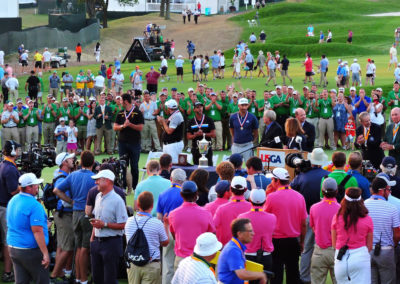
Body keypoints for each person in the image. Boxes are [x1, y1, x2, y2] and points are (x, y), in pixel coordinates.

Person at [53, 151, 96, 284]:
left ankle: (78, 277)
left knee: (78, 247)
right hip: (86, 214)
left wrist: (72, 202)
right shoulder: (94, 177)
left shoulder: (73, 176)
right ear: (93, 163)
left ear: (81, 162)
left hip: (75, 214)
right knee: (84, 248)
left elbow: (57, 190)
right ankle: (83, 280)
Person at [290, 148, 329, 283]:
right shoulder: (328, 175)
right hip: (324, 217)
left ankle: (305, 277)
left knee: (307, 248)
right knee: (326, 247)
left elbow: (291, 191)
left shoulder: (301, 176)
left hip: (306, 216)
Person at [264, 168, 307, 284]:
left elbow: (264, 218)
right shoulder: (299, 197)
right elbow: (303, 224)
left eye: (272, 179)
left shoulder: (271, 197)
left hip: (276, 241)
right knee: (293, 275)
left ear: (277, 181)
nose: (271, 182)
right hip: (293, 241)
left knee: (276, 275)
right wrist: (302, 242)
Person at [7, 173, 49, 284]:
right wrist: (45, 253)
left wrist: (44, 226)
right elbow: (37, 231)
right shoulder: (35, 205)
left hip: (13, 248)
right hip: (30, 251)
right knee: (42, 281)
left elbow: (17, 222)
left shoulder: (13, 200)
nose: (38, 186)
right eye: (35, 184)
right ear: (29, 187)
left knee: (21, 281)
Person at [88, 170, 127, 284]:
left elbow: (124, 224)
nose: (96, 183)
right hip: (97, 242)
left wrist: (104, 225)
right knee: (97, 278)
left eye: (98, 180)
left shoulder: (117, 200)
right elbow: (96, 217)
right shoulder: (98, 197)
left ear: (108, 181)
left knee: (109, 279)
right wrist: (92, 237)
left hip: (111, 243)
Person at [168, 181, 215, 270]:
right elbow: (211, 234)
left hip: (181, 260)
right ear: (196, 194)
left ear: (181, 195)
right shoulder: (206, 213)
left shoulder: (173, 214)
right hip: (200, 259)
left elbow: (174, 235)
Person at [126, 191, 169, 284]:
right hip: (151, 265)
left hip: (133, 264)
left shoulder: (129, 222)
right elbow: (165, 242)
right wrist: (166, 225)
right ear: (152, 206)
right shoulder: (157, 223)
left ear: (138, 204)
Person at [332, 187, 373, 283]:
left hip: (341, 259)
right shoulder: (367, 219)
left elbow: (334, 244)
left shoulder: (337, 217)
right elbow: (369, 246)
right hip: (361, 258)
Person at [365, 173, 400, 284]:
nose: (390, 192)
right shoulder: (392, 208)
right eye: (388, 190)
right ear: (382, 191)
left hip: (367, 250)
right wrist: (393, 246)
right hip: (386, 251)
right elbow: (397, 234)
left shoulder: (363, 205)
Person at [156, 168, 186, 284]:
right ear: (183, 181)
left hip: (167, 230)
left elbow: (159, 218)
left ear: (171, 179)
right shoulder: (185, 195)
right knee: (181, 265)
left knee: (168, 264)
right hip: (181, 233)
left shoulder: (162, 194)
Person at [308, 177, 340, 284]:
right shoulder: (341, 209)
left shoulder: (314, 208)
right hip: (337, 252)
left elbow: (313, 228)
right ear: (336, 191)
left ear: (322, 191)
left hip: (319, 251)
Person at [217, 218, 268, 284]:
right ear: (239, 234)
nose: (253, 233)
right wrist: (261, 275)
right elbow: (242, 274)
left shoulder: (235, 246)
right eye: (250, 231)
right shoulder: (233, 250)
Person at [238, 189, 276, 274]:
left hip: (248, 256)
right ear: (265, 201)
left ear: (250, 200)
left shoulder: (241, 217)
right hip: (266, 256)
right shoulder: (272, 217)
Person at [50, 152, 75, 283]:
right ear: (64, 162)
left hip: (61, 214)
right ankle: (53, 276)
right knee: (68, 247)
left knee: (61, 246)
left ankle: (59, 272)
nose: (73, 160)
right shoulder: (62, 178)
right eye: (70, 159)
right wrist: (72, 202)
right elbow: (62, 197)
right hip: (65, 215)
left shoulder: (62, 175)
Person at [0, 140, 21, 282]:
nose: (19, 152)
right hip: (6, 208)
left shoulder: (3, 165)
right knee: (9, 241)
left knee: (4, 240)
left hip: (2, 207)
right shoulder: (10, 169)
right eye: (17, 149)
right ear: (13, 151)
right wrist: (26, 186)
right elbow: (13, 190)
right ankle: (8, 272)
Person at [114, 93, 144, 192]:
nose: (119, 102)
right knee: (122, 165)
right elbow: (115, 127)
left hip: (134, 143)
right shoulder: (120, 113)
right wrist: (123, 126)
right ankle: (124, 187)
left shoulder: (137, 112)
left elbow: (140, 127)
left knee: (134, 166)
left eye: (121, 100)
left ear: (126, 101)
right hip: (122, 143)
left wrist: (129, 124)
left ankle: (135, 187)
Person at [214, 176, 251, 246]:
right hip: (246, 250)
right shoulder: (251, 207)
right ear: (245, 189)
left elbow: (213, 227)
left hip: (225, 248)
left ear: (230, 189)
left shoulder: (221, 209)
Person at [187, 101, 216, 166]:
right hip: (196, 149)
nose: (200, 108)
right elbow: (188, 136)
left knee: (209, 167)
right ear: (194, 109)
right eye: (197, 107)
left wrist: (203, 134)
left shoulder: (209, 120)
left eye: (201, 107)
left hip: (207, 149)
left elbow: (213, 135)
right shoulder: (191, 121)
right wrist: (195, 135)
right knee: (197, 168)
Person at [157, 100, 184, 164]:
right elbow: (166, 129)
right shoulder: (174, 115)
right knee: (166, 164)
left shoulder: (176, 116)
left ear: (169, 108)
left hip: (173, 145)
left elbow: (169, 131)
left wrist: (163, 121)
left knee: (173, 164)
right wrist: (162, 122)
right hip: (169, 144)